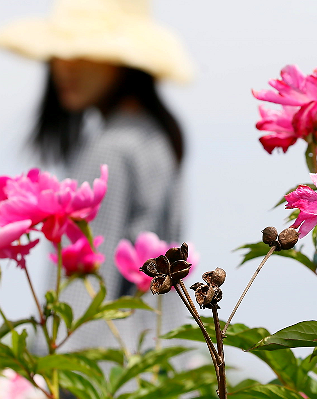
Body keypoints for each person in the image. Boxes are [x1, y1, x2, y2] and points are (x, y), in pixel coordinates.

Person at [0, 0, 195, 356]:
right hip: (160, 359)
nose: (64, 67)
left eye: (83, 53)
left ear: (124, 62)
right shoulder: (155, 138)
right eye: (58, 53)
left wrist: (49, 370)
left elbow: (86, 274)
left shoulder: (109, 150)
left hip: (104, 372)